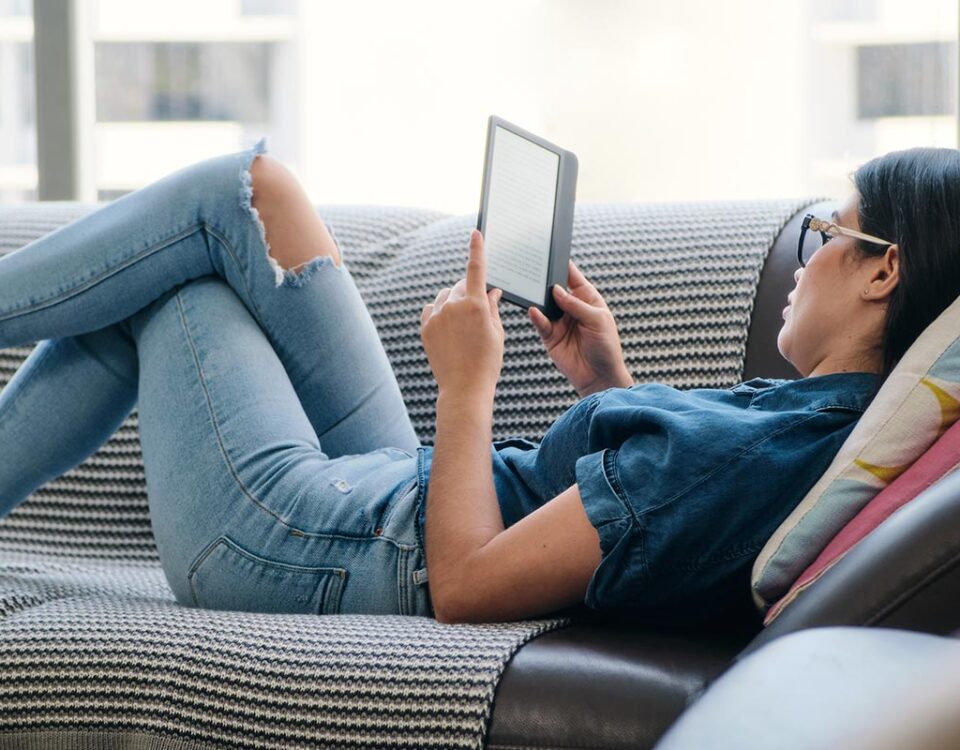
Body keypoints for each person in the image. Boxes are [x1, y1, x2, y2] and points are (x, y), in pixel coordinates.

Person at [0, 140, 955, 629]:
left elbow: (463, 585)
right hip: (391, 498)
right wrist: (605, 382)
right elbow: (653, 506)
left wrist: (467, 386)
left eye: (828, 234)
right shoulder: (820, 423)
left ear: (883, 272)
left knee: (196, 275)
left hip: (322, 546)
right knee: (260, 194)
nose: (805, 258)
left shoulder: (764, 454)